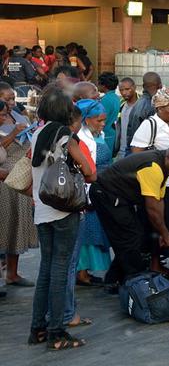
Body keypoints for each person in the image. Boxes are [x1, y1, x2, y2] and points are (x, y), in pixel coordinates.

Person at [29, 87, 96, 350]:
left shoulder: (36, 135)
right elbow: (89, 171)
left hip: (41, 209)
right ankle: (57, 331)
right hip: (64, 210)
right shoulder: (64, 135)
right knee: (60, 268)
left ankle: (38, 328)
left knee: (46, 269)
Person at [91, 146, 169, 284]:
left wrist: (162, 232)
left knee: (133, 235)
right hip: (106, 193)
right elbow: (152, 208)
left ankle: (116, 279)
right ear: (168, 157)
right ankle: (135, 279)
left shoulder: (165, 167)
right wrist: (166, 234)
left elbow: (159, 201)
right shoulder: (153, 167)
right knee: (129, 237)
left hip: (118, 196)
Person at [63, 100, 106, 329]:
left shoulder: (40, 135)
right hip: (75, 203)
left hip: (53, 207)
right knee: (67, 264)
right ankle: (66, 314)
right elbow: (89, 172)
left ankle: (52, 318)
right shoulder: (73, 141)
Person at [130, 89, 169, 242]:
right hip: (162, 187)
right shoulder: (150, 125)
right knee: (160, 224)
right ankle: (156, 261)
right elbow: (137, 154)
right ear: (159, 108)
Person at [0, 95, 37, 289]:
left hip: (20, 178)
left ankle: (12, 274)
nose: (11, 103)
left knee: (16, 227)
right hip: (4, 180)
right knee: (3, 227)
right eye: (6, 99)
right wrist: (13, 133)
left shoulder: (18, 116)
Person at [76, 99, 113, 287]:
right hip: (89, 191)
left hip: (100, 189)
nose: (103, 124)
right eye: (99, 120)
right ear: (86, 119)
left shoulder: (98, 133)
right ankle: (81, 271)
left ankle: (86, 270)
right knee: (86, 234)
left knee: (95, 231)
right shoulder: (81, 139)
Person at [126, 72, 162, 148]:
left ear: (143, 86)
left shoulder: (139, 102)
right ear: (160, 86)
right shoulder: (151, 106)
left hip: (134, 149)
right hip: (141, 150)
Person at [113, 77, 139, 159]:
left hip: (135, 151)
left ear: (134, 87)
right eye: (121, 90)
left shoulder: (141, 106)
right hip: (121, 151)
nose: (124, 93)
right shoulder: (121, 105)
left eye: (127, 89)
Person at [97, 72, 121, 145]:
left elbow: (101, 117)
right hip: (111, 132)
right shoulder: (115, 97)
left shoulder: (105, 100)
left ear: (104, 86)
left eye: (98, 84)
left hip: (105, 133)